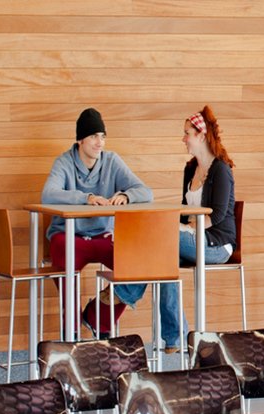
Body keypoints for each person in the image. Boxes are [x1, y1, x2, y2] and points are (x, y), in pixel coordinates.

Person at [129, 106, 237, 352]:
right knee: (163, 255)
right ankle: (176, 337)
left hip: (217, 245)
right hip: (192, 238)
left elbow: (217, 215)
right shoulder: (190, 169)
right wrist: (180, 225)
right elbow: (184, 208)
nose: (183, 139)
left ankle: (124, 293)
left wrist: (185, 227)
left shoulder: (220, 170)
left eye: (187, 133)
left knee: (162, 237)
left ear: (201, 136)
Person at [40, 107, 152, 338]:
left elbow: (145, 191)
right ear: (80, 140)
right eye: (93, 136)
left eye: (102, 136)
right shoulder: (64, 162)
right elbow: (48, 194)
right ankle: (71, 332)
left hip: (102, 236)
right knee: (63, 257)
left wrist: (127, 196)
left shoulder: (112, 161)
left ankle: (97, 317)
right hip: (69, 236)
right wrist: (86, 198)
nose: (99, 142)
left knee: (139, 264)